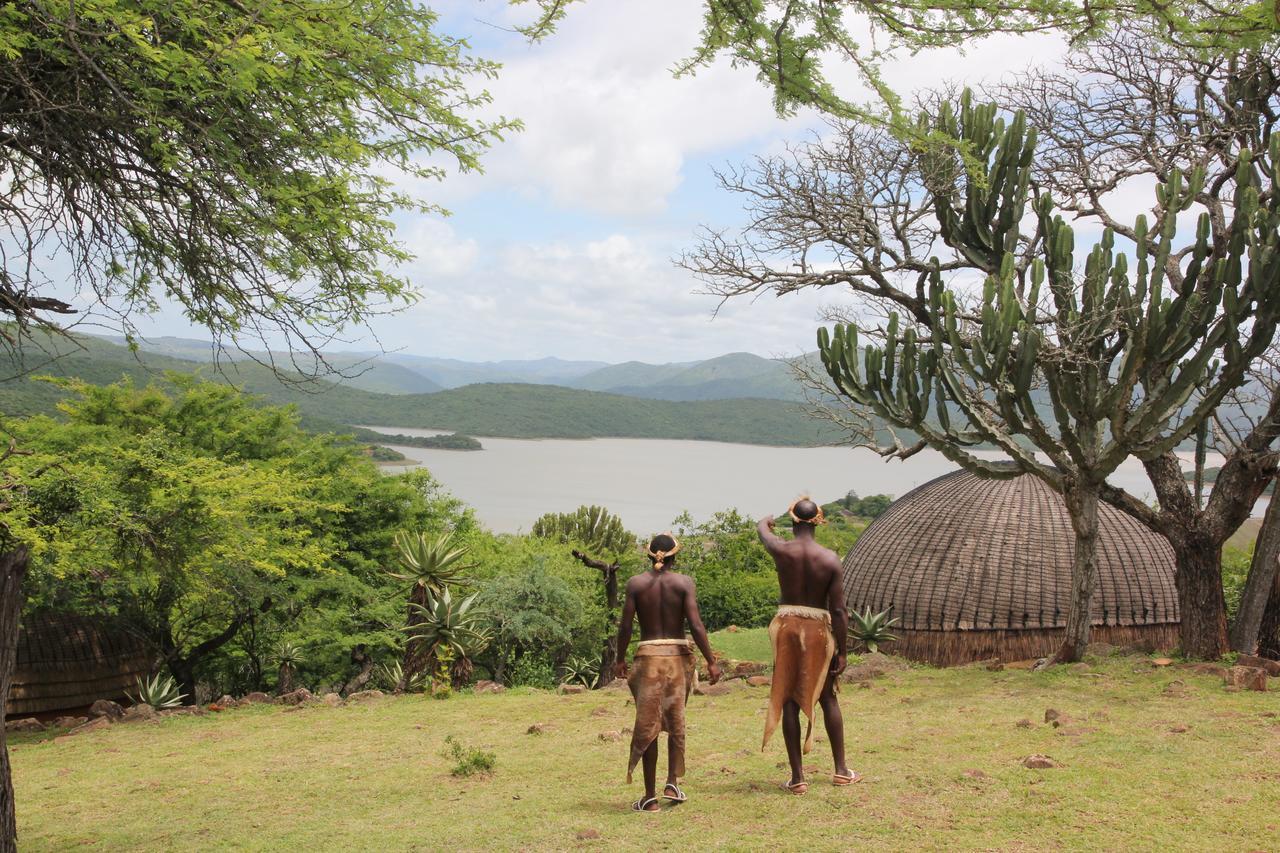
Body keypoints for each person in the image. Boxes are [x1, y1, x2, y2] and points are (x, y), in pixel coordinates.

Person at [614, 533, 722, 812]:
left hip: (647, 659)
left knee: (648, 724)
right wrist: (711, 660)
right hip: (678, 659)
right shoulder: (684, 583)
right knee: (676, 721)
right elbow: (696, 625)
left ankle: (649, 797)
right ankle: (672, 783)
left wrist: (619, 659)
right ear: (674, 556)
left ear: (649, 555)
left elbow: (625, 627)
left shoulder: (635, 584)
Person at [758, 497, 860, 793]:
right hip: (817, 630)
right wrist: (842, 650)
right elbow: (839, 610)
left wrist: (766, 520)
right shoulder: (829, 559)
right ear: (819, 521)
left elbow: (761, 530)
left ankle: (797, 777)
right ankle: (841, 770)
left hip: (787, 627)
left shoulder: (780, 549)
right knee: (828, 697)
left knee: (789, 698)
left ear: (793, 521)